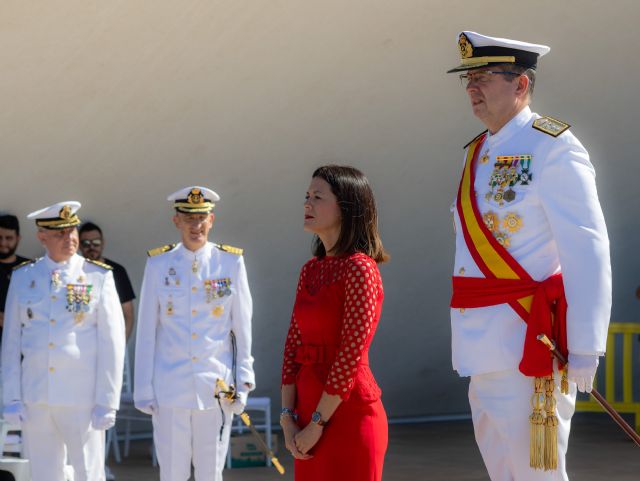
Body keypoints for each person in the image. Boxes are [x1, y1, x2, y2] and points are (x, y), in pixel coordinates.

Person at [447, 31, 611, 480]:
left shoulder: (553, 145)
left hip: (531, 341)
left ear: (521, 85)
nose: (471, 88)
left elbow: (587, 245)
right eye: (468, 78)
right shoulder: (476, 152)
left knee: (538, 474)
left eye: (483, 76)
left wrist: (584, 346)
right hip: (481, 343)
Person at [134, 186, 254, 481]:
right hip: (170, 386)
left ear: (211, 219)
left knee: (210, 471)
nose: (195, 225)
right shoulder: (159, 263)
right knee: (172, 471)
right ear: (176, 221)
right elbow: (147, 330)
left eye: (201, 218)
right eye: (189, 218)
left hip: (215, 386)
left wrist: (244, 381)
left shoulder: (230, 262)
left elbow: (241, 327)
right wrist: (143, 387)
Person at [1, 201, 126, 481]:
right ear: (41, 237)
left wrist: (108, 400)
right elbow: (11, 342)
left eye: (72, 231)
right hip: (37, 396)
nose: (69, 239)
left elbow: (113, 344)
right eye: (59, 233)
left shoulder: (98, 276)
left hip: (82, 397)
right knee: (44, 474)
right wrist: (11, 397)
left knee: (88, 473)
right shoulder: (23, 277)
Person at [280, 165, 389, 481]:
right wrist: (288, 419)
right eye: (306, 196)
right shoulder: (310, 270)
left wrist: (316, 424)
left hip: (348, 414)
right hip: (306, 412)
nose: (307, 203)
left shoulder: (361, 269)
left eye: (317, 196)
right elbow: (292, 346)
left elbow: (350, 355)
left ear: (346, 207)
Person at [79, 222, 136, 339]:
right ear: (79, 245)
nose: (91, 247)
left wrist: (121, 347)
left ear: (103, 242)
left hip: (112, 341)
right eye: (85, 243)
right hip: (83, 346)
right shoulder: (75, 272)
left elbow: (128, 315)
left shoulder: (117, 271)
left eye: (96, 242)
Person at [0, 214, 30, 340]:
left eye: (9, 238)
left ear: (18, 238)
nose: (3, 243)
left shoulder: (30, 268)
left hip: (21, 343)